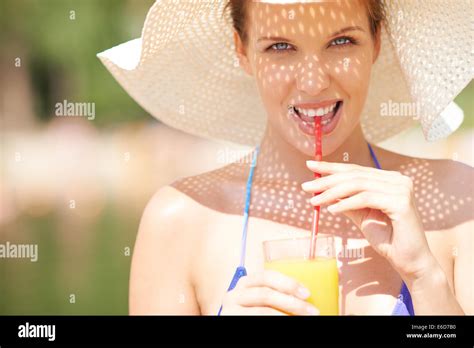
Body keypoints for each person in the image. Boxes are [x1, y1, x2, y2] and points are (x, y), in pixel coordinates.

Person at [98, 0, 473, 315]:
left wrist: (425, 278)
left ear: (376, 42)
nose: (313, 82)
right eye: (280, 47)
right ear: (241, 50)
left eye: (341, 40)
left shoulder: (460, 203)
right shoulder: (179, 221)